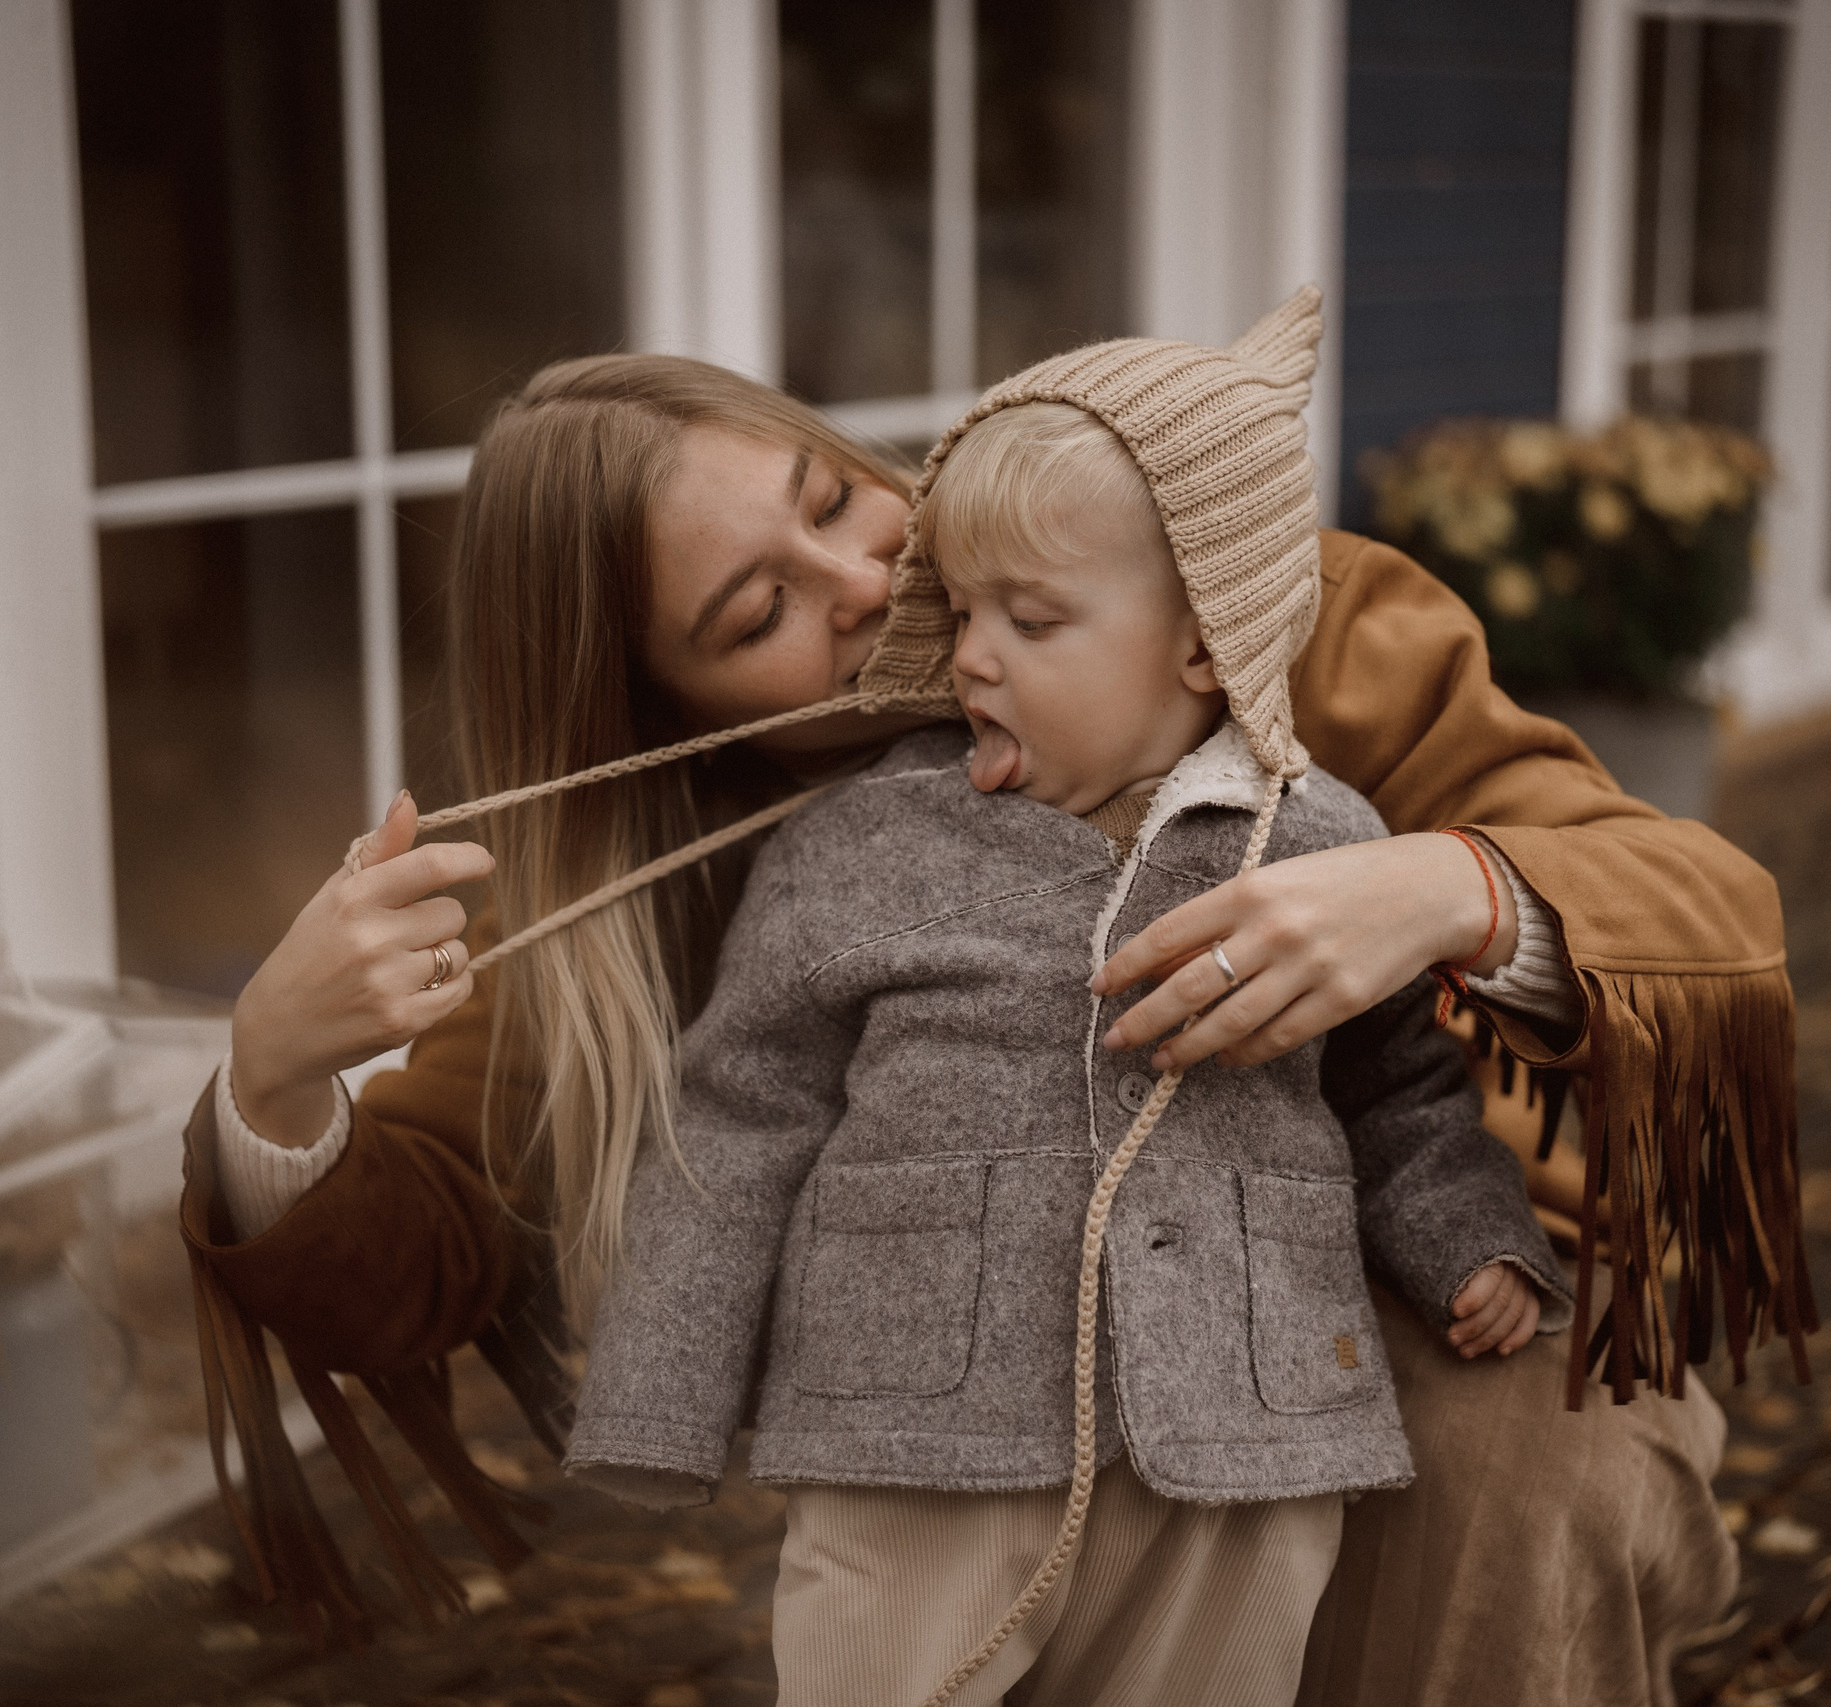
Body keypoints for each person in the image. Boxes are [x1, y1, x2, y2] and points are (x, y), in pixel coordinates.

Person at [182, 288, 1793, 1703]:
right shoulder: (674, 869)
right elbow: (426, 1247)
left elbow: (1704, 902)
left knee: (1503, 1485)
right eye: (757, 613)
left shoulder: (1227, 587)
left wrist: (1434, 889)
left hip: (1440, 1273)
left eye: (837, 495)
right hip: (994, 1399)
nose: (863, 579)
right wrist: (274, 1082)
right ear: (662, 705)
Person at [562, 309, 1572, 1705]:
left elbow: (1396, 1083)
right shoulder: (848, 854)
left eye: (1028, 622)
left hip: (1245, 1422)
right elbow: (736, 1120)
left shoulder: (1326, 838)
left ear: (1207, 644)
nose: (969, 656)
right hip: (916, 1435)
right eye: (962, 610)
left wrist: (1467, 1236)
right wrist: (657, 1402)